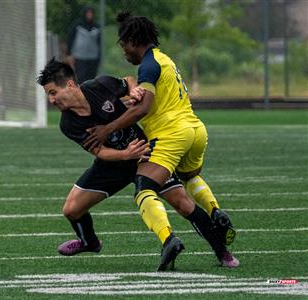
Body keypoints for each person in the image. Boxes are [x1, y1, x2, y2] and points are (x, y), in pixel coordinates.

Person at [37, 58, 236, 271]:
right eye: (49, 95)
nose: (51, 100)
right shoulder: (68, 123)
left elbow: (129, 80)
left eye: (52, 93)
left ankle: (222, 251)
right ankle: (90, 243)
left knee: (183, 204)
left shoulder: (99, 85)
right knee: (71, 209)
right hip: (113, 163)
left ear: (69, 85)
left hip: (145, 156)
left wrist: (133, 91)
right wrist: (125, 154)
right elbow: (100, 151)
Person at [83, 12, 239, 267]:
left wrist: (106, 129)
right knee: (186, 184)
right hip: (195, 130)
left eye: (124, 46)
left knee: (144, 187)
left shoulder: (148, 65)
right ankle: (217, 223)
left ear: (134, 41)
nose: (124, 53)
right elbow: (147, 99)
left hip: (171, 134)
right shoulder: (164, 60)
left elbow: (143, 109)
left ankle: (169, 240)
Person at [66, 6, 101, 84]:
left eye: (91, 13)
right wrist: (69, 53)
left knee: (91, 79)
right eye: (88, 13)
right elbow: (70, 38)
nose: (90, 15)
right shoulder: (77, 25)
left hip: (93, 58)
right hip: (79, 57)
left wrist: (99, 57)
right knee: (81, 78)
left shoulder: (97, 27)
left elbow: (100, 43)